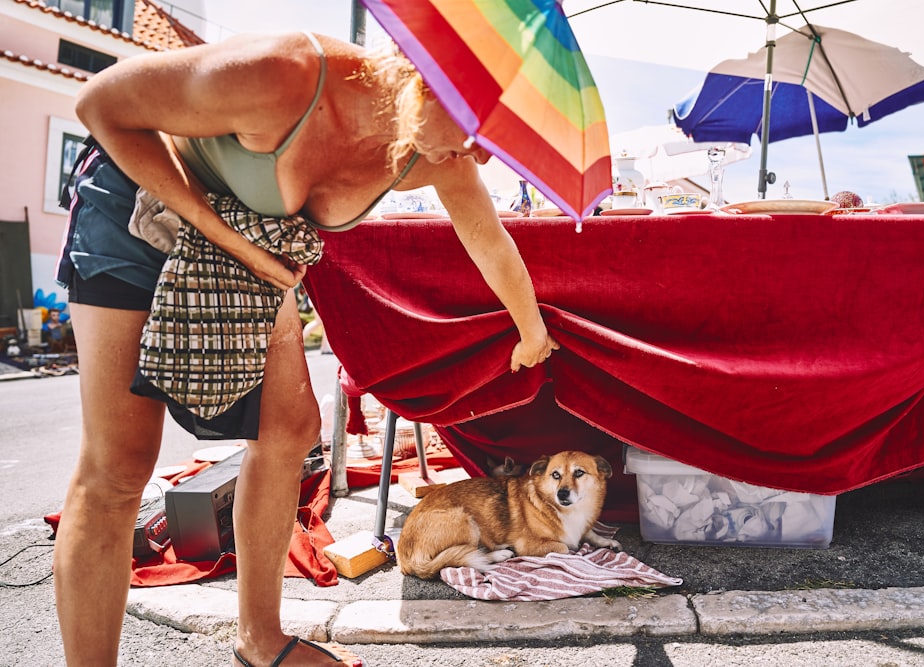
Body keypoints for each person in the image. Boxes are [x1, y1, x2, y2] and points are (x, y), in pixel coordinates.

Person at [54, 31, 560, 667]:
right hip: (138, 197)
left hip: (250, 242)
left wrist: (531, 329)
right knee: (121, 463)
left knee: (291, 428)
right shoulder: (285, 73)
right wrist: (229, 240)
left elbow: (489, 243)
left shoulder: (443, 153)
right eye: (479, 127)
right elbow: (100, 104)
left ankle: (259, 642)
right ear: (428, 75)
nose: (481, 158)